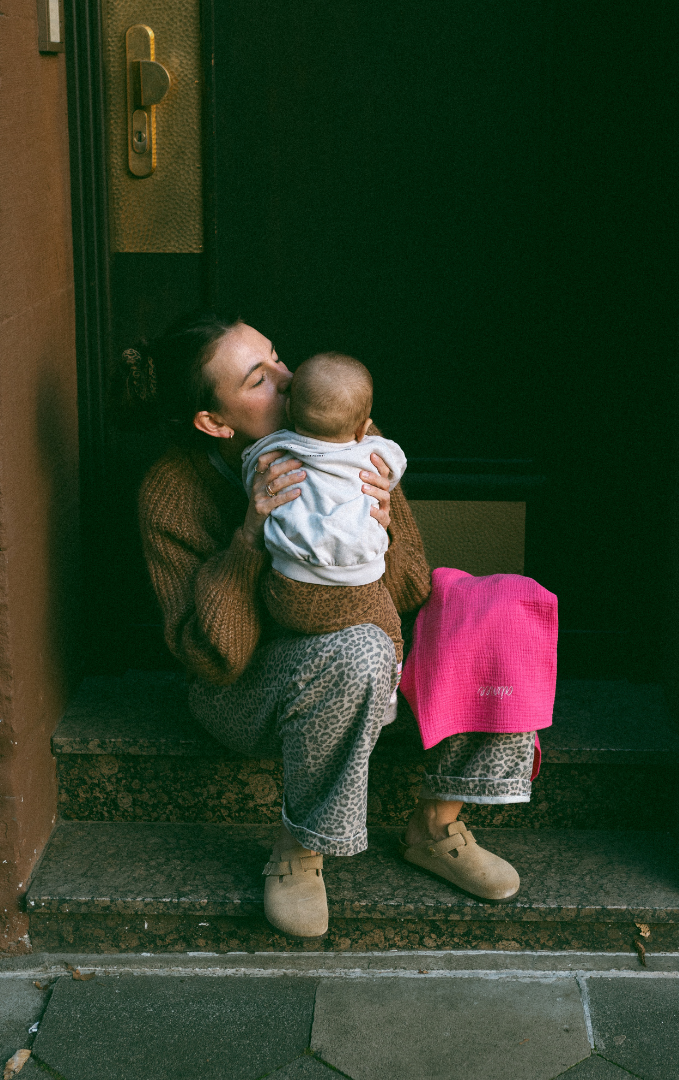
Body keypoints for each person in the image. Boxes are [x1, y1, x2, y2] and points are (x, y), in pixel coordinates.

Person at [135, 310, 537, 940]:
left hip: (366, 656)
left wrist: (380, 522)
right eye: (258, 379)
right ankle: (300, 846)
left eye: (278, 357)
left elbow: (410, 588)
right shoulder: (171, 490)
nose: (290, 380)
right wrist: (248, 539)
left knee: (502, 606)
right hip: (246, 695)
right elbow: (218, 659)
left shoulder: (350, 443)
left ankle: (437, 826)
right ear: (214, 421)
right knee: (360, 650)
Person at [241, 352, 406, 665]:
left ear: (290, 411)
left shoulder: (274, 451)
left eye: (276, 358)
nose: (284, 378)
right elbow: (395, 469)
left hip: (289, 586)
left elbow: (251, 470)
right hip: (359, 584)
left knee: (280, 624)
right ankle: (389, 693)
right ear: (363, 429)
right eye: (259, 378)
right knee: (389, 630)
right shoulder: (374, 452)